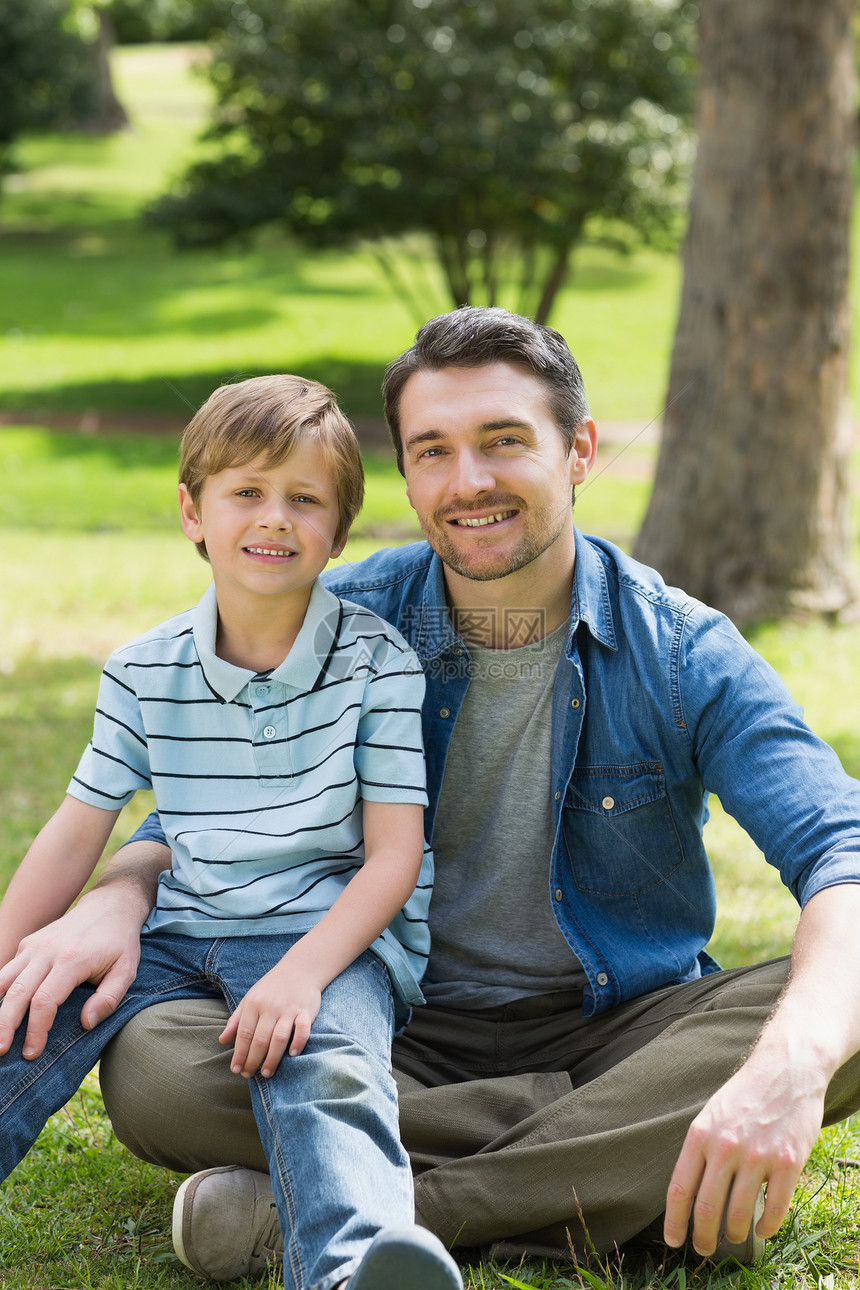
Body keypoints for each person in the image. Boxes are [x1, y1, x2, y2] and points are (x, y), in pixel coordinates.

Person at [2, 310, 860, 1282]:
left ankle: (345, 1216)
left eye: (503, 442)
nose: (468, 482)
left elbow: (840, 852)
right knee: (155, 1066)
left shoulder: (679, 651)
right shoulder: (338, 625)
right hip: (382, 1028)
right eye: (432, 452)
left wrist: (786, 1068)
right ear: (404, 476)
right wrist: (118, 895)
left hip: (615, 1031)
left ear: (576, 451)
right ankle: (617, 1177)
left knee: (830, 1004)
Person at [0, 374, 464, 1290]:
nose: (274, 518)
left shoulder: (377, 663)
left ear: (337, 531)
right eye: (246, 492)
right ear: (192, 512)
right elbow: (75, 830)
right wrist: (11, 954)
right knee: (22, 1013)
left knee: (324, 1067)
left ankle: (352, 1271)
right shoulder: (143, 669)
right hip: (180, 928)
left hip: (324, 936)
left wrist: (301, 975)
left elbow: (395, 857)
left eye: (304, 499)